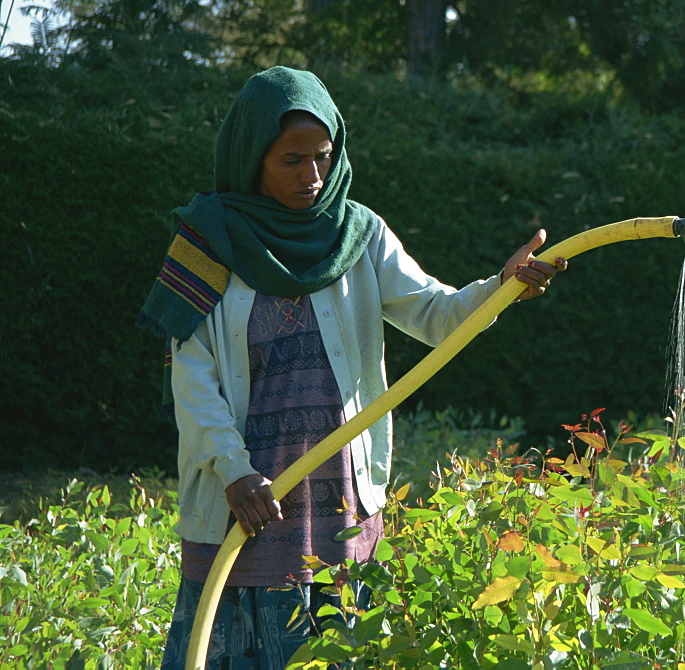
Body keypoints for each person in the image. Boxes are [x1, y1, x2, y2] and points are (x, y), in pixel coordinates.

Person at [137, 65, 566, 668]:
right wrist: (235, 472)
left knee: (336, 646)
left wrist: (502, 286)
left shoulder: (358, 234)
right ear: (252, 155)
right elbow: (194, 377)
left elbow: (437, 314)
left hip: (336, 501)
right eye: (292, 160)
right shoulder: (209, 241)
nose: (312, 176)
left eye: (323, 155)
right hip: (248, 505)